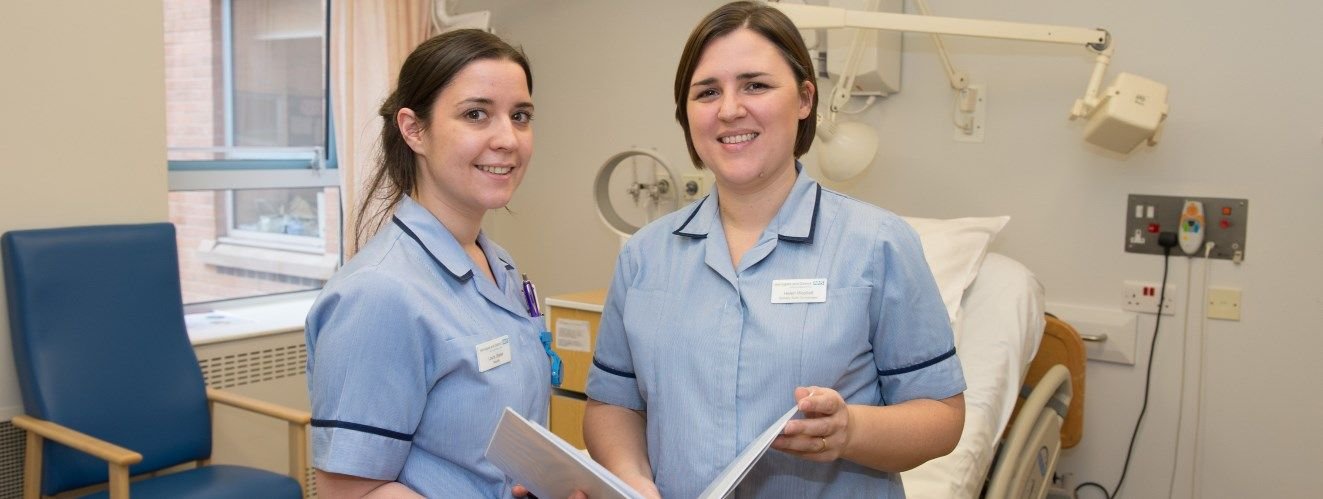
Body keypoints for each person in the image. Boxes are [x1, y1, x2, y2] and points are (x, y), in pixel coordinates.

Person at [582, 2, 966, 497]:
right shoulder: (645, 255)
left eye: (755, 85)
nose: (729, 109)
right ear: (687, 113)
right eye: (707, 92)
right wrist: (632, 478)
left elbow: (941, 417)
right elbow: (612, 404)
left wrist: (852, 429)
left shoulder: (878, 244)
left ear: (805, 99)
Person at [305, 29, 553, 498]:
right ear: (414, 129)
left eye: (520, 116)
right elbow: (351, 492)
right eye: (476, 114)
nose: (508, 139)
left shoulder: (496, 264)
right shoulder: (378, 293)